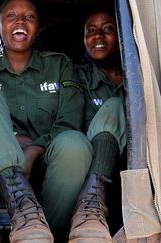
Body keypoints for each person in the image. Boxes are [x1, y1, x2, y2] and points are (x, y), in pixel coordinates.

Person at [0, 0, 93, 241]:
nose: (20, 21)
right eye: (11, 16)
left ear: (37, 29)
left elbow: (68, 119)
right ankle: (23, 212)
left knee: (75, 145)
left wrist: (35, 149)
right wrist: (15, 140)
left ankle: (49, 234)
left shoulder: (59, 65)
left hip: (50, 167)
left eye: (29, 17)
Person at [69, 8, 125, 242]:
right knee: (113, 106)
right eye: (90, 31)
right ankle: (90, 205)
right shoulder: (75, 76)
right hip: (89, 165)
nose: (98, 36)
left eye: (108, 29)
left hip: (132, 170)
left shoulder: (140, 76)